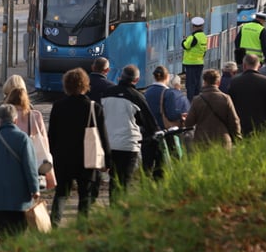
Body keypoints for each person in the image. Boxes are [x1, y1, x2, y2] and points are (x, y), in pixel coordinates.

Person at [48, 68, 110, 226]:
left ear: (66, 85)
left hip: (63, 158)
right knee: (85, 195)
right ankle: (82, 226)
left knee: (61, 193)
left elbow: (52, 135)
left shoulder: (58, 106)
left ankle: (54, 223)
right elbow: (103, 136)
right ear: (85, 85)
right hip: (86, 158)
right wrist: (107, 161)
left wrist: (53, 155)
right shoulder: (93, 107)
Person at [0, 104, 40, 240]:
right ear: (15, 120)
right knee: (18, 235)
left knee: (3, 236)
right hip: (19, 198)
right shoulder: (23, 139)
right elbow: (30, 167)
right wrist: (34, 189)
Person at [101, 65, 159, 202]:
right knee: (124, 181)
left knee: (114, 179)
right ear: (136, 79)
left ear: (121, 77)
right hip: (128, 145)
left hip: (109, 143)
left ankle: (112, 208)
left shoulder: (106, 93)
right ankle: (120, 211)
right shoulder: (137, 97)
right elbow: (149, 123)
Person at [142, 66, 188, 178]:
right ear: (167, 77)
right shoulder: (168, 93)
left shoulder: (146, 93)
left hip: (147, 132)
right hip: (163, 132)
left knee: (147, 164)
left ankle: (145, 186)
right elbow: (171, 115)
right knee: (161, 164)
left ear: (153, 76)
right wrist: (180, 115)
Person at [184, 69, 241, 150]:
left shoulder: (197, 100)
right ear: (218, 82)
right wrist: (237, 137)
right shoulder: (225, 98)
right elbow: (234, 121)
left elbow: (189, 123)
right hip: (223, 140)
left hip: (202, 141)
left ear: (204, 82)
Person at [227, 54, 266, 136]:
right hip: (262, 126)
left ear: (244, 65)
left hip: (241, 126)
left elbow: (230, 105)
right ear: (259, 66)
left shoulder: (234, 82)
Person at [181, 16, 208, 100]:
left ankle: (190, 102)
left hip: (191, 63)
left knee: (190, 85)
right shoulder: (204, 37)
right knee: (198, 84)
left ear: (193, 26)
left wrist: (184, 40)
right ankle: (198, 100)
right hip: (200, 62)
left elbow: (185, 46)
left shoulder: (193, 37)